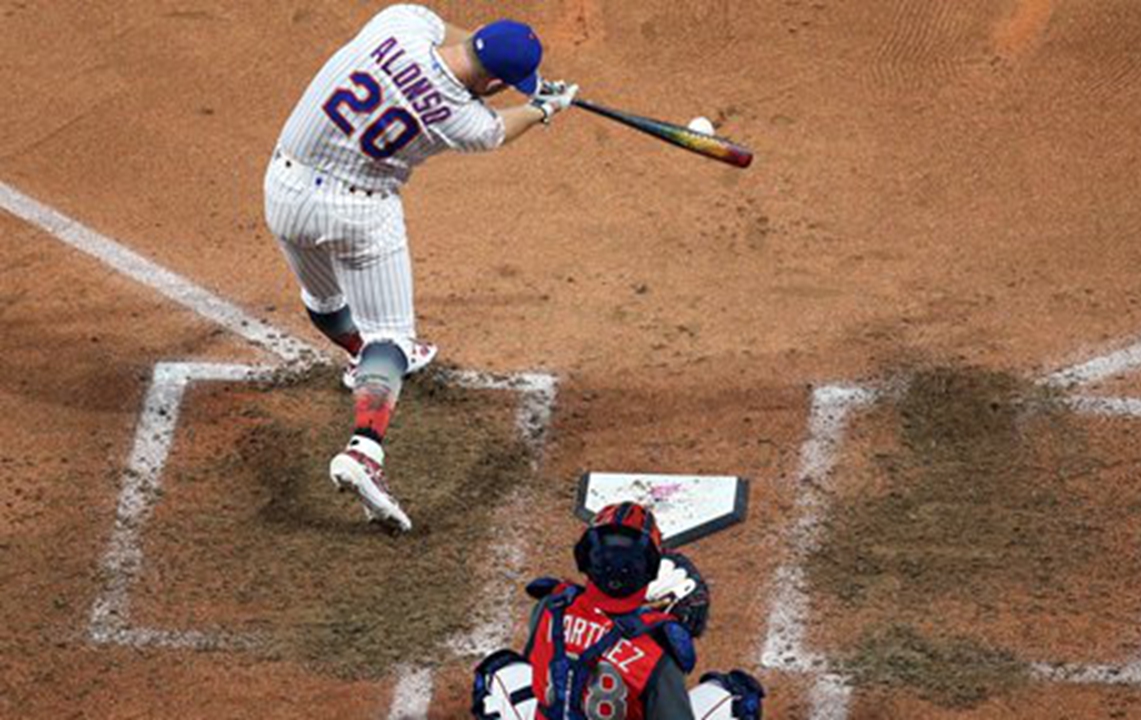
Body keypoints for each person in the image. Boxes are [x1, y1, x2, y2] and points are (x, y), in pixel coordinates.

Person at [262, 5, 578, 531]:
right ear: (499, 81)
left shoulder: (398, 23)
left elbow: (452, 37)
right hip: (360, 211)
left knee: (323, 299)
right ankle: (364, 451)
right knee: (394, 341)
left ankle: (354, 357)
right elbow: (501, 128)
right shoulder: (463, 121)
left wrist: (524, 83)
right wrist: (544, 107)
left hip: (285, 189)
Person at [472, 502, 766, 719]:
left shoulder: (551, 606)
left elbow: (545, 668)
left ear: (586, 558)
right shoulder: (657, 652)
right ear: (649, 570)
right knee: (738, 697)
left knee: (499, 672)